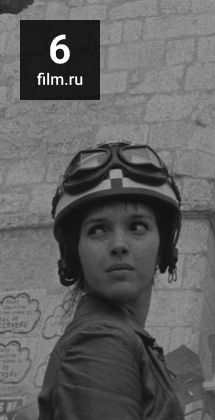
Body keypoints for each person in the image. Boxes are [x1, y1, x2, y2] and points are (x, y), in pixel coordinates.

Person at [38, 141, 184, 419]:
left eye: (137, 227)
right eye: (97, 230)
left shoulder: (125, 338)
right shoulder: (100, 342)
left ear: (162, 247)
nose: (119, 245)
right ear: (75, 254)